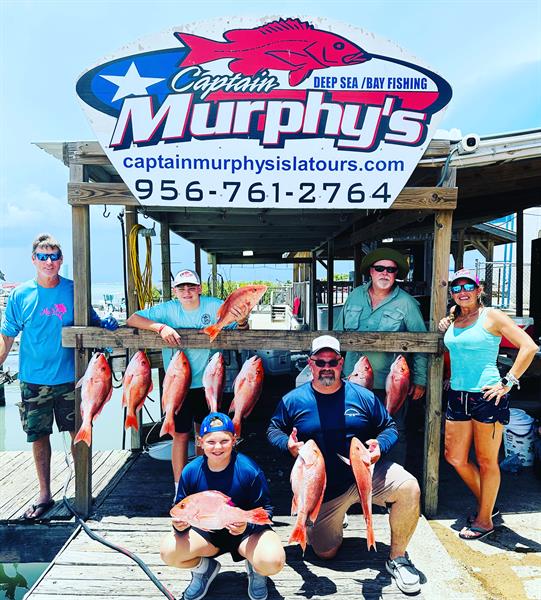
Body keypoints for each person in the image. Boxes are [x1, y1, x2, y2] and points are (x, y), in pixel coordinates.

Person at [267, 335, 422, 595]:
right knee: (326, 552)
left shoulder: (363, 396)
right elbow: (274, 429)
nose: (326, 367)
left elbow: (389, 426)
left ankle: (397, 558)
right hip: (325, 490)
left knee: (409, 487)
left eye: (333, 361)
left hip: (366, 475)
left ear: (341, 363)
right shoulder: (293, 400)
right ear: (311, 364)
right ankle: (335, 519)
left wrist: (379, 446)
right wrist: (287, 444)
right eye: (320, 361)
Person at [0, 233, 119, 520]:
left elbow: (90, 320)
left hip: (71, 380)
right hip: (33, 380)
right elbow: (6, 336)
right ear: (33, 260)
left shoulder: (73, 289)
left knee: (77, 432)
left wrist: (103, 324)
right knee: (38, 437)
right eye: (43, 256)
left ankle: (82, 491)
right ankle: (44, 494)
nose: (49, 261)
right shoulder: (20, 295)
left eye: (54, 256)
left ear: (61, 260)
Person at [438, 269, 538, 540]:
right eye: (456, 288)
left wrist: (508, 381)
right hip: (457, 395)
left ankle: (485, 520)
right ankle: (488, 504)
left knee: (486, 460)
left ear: (479, 289)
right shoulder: (454, 319)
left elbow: (528, 347)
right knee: (455, 457)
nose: (462, 292)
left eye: (468, 286)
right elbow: (454, 353)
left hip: (487, 396)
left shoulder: (491, 315)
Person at [126, 269, 248, 488]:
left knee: (205, 434)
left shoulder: (214, 305)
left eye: (192, 287)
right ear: (175, 291)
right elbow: (132, 319)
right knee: (180, 436)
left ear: (200, 288)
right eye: (181, 288)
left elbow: (241, 328)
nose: (187, 292)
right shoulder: (167, 309)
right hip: (177, 386)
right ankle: (179, 486)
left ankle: (203, 483)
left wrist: (242, 321)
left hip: (208, 385)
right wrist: (160, 327)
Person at [160, 412, 285, 600]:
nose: (217, 447)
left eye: (224, 441)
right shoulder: (190, 471)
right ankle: (204, 570)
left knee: (273, 560)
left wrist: (246, 525)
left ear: (234, 440)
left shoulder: (249, 469)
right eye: (210, 442)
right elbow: (180, 506)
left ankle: (257, 569)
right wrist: (178, 526)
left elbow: (266, 511)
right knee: (168, 552)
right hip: (208, 535)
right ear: (200, 441)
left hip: (245, 534)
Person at [334, 247, 427, 465]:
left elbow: (422, 343)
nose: (385, 273)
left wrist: (420, 380)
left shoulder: (407, 303)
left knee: (393, 432)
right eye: (379, 268)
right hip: (352, 381)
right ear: (371, 272)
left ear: (396, 274)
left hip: (390, 384)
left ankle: (392, 485)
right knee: (352, 431)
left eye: (391, 270)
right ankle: (355, 487)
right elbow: (338, 336)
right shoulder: (355, 296)